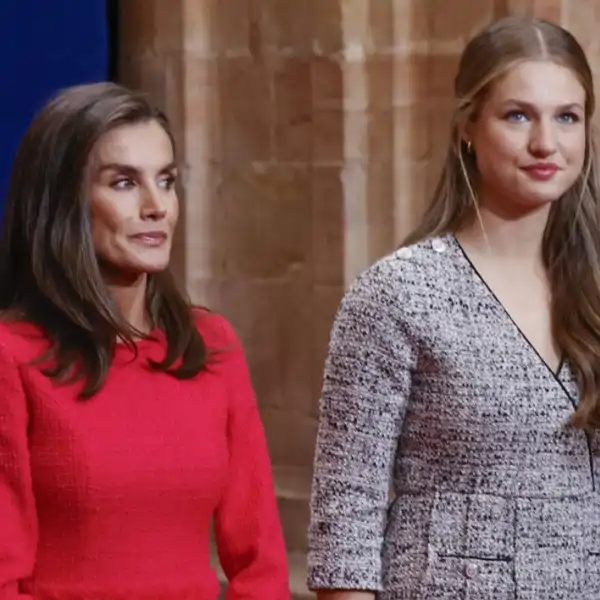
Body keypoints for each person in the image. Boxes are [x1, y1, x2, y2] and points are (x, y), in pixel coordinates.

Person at [307, 16, 600, 600]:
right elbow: (345, 519)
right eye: (518, 115)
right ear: (468, 125)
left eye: (566, 117)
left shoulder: (594, 286)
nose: (546, 143)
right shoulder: (398, 294)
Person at [0, 82, 290, 600]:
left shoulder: (209, 344)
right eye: (124, 183)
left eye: (167, 180)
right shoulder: (13, 356)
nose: (157, 206)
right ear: (64, 201)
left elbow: (259, 559)